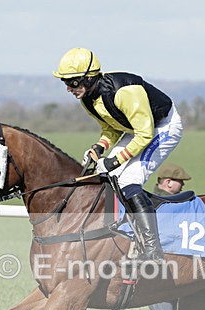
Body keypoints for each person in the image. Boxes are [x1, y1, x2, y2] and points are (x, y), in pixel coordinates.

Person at [53, 47, 184, 263]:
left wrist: (115, 160)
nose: (68, 88)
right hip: (136, 130)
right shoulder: (88, 99)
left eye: (73, 82)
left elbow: (144, 134)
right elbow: (112, 128)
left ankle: (153, 249)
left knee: (128, 180)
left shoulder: (124, 92)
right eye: (65, 83)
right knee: (103, 176)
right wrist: (99, 148)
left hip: (163, 127)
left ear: (88, 78)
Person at [117, 163, 191, 310]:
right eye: (180, 182)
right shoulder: (152, 204)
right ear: (168, 182)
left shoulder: (165, 204)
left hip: (165, 270)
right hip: (152, 271)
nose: (183, 185)